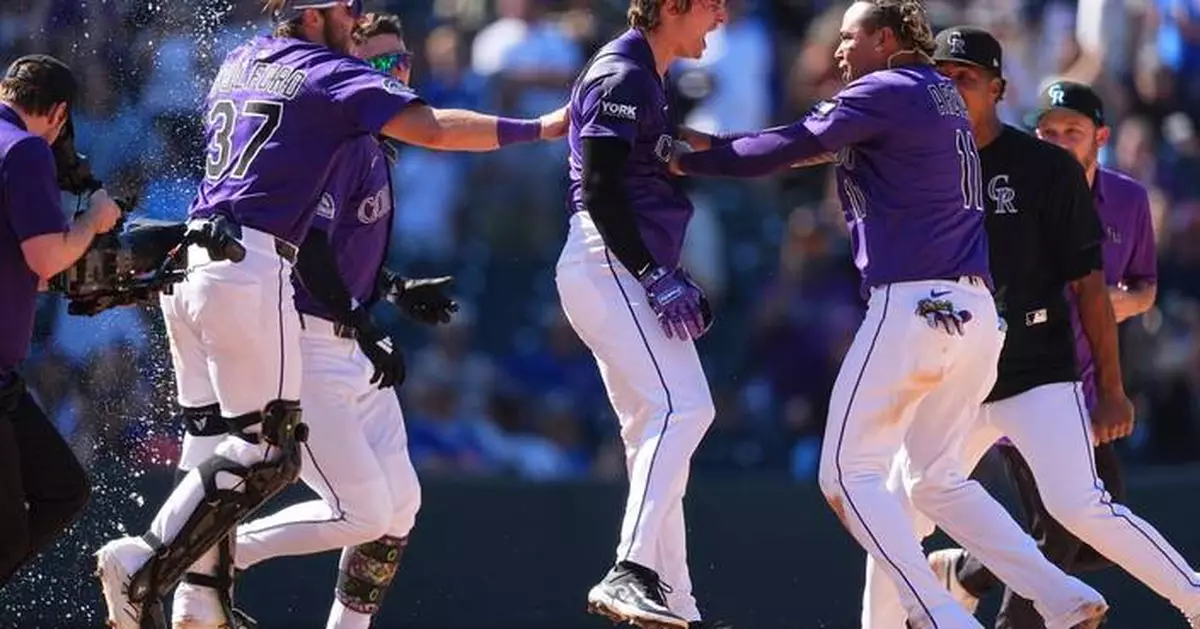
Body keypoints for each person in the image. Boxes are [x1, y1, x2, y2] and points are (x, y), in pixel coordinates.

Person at [93, 1, 567, 627]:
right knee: (267, 454)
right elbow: (438, 131)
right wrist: (543, 126)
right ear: (316, 14)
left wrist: (385, 291)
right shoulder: (330, 80)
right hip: (258, 273)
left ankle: (199, 598)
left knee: (218, 447)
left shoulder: (243, 57)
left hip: (197, 264)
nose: (356, 16)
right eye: (348, 8)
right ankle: (149, 559)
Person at [672, 3, 1107, 628]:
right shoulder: (939, 96)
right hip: (977, 315)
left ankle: (937, 614)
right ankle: (1061, 595)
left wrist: (688, 159)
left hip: (914, 302)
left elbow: (794, 143)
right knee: (935, 479)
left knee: (845, 476)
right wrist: (712, 146)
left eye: (850, 36)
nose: (839, 50)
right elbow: (810, 152)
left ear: (885, 39)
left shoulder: (888, 87)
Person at [893, 47, 1200, 629]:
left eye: (968, 78)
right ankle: (937, 600)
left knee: (1077, 509)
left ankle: (1192, 597)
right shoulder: (926, 161)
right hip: (961, 372)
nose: (955, 89)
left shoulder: (1044, 167)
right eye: (944, 79)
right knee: (906, 495)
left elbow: (1091, 288)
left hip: (1038, 368)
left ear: (997, 89)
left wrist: (1111, 387)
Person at [229, 13, 456, 629]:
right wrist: (364, 320)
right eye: (380, 64)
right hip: (310, 340)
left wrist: (392, 287)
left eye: (401, 61)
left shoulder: (372, 140)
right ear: (352, 61)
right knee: (364, 512)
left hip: (349, 342)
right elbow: (312, 249)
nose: (395, 74)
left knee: (401, 507)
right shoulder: (346, 134)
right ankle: (214, 552)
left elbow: (344, 248)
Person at [557, 1, 734, 627]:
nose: (721, 14)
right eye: (711, 2)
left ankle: (678, 602)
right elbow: (601, 188)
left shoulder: (647, 75)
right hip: (608, 261)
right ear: (672, 5)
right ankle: (629, 570)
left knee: (653, 438)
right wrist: (652, 272)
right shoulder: (624, 71)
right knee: (687, 409)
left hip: (616, 264)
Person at [0, 54, 122, 589]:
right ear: (58, 113)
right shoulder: (24, 148)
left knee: (62, 487)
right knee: (9, 535)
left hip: (4, 383)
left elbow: (29, 267)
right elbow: (48, 258)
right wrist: (93, 221)